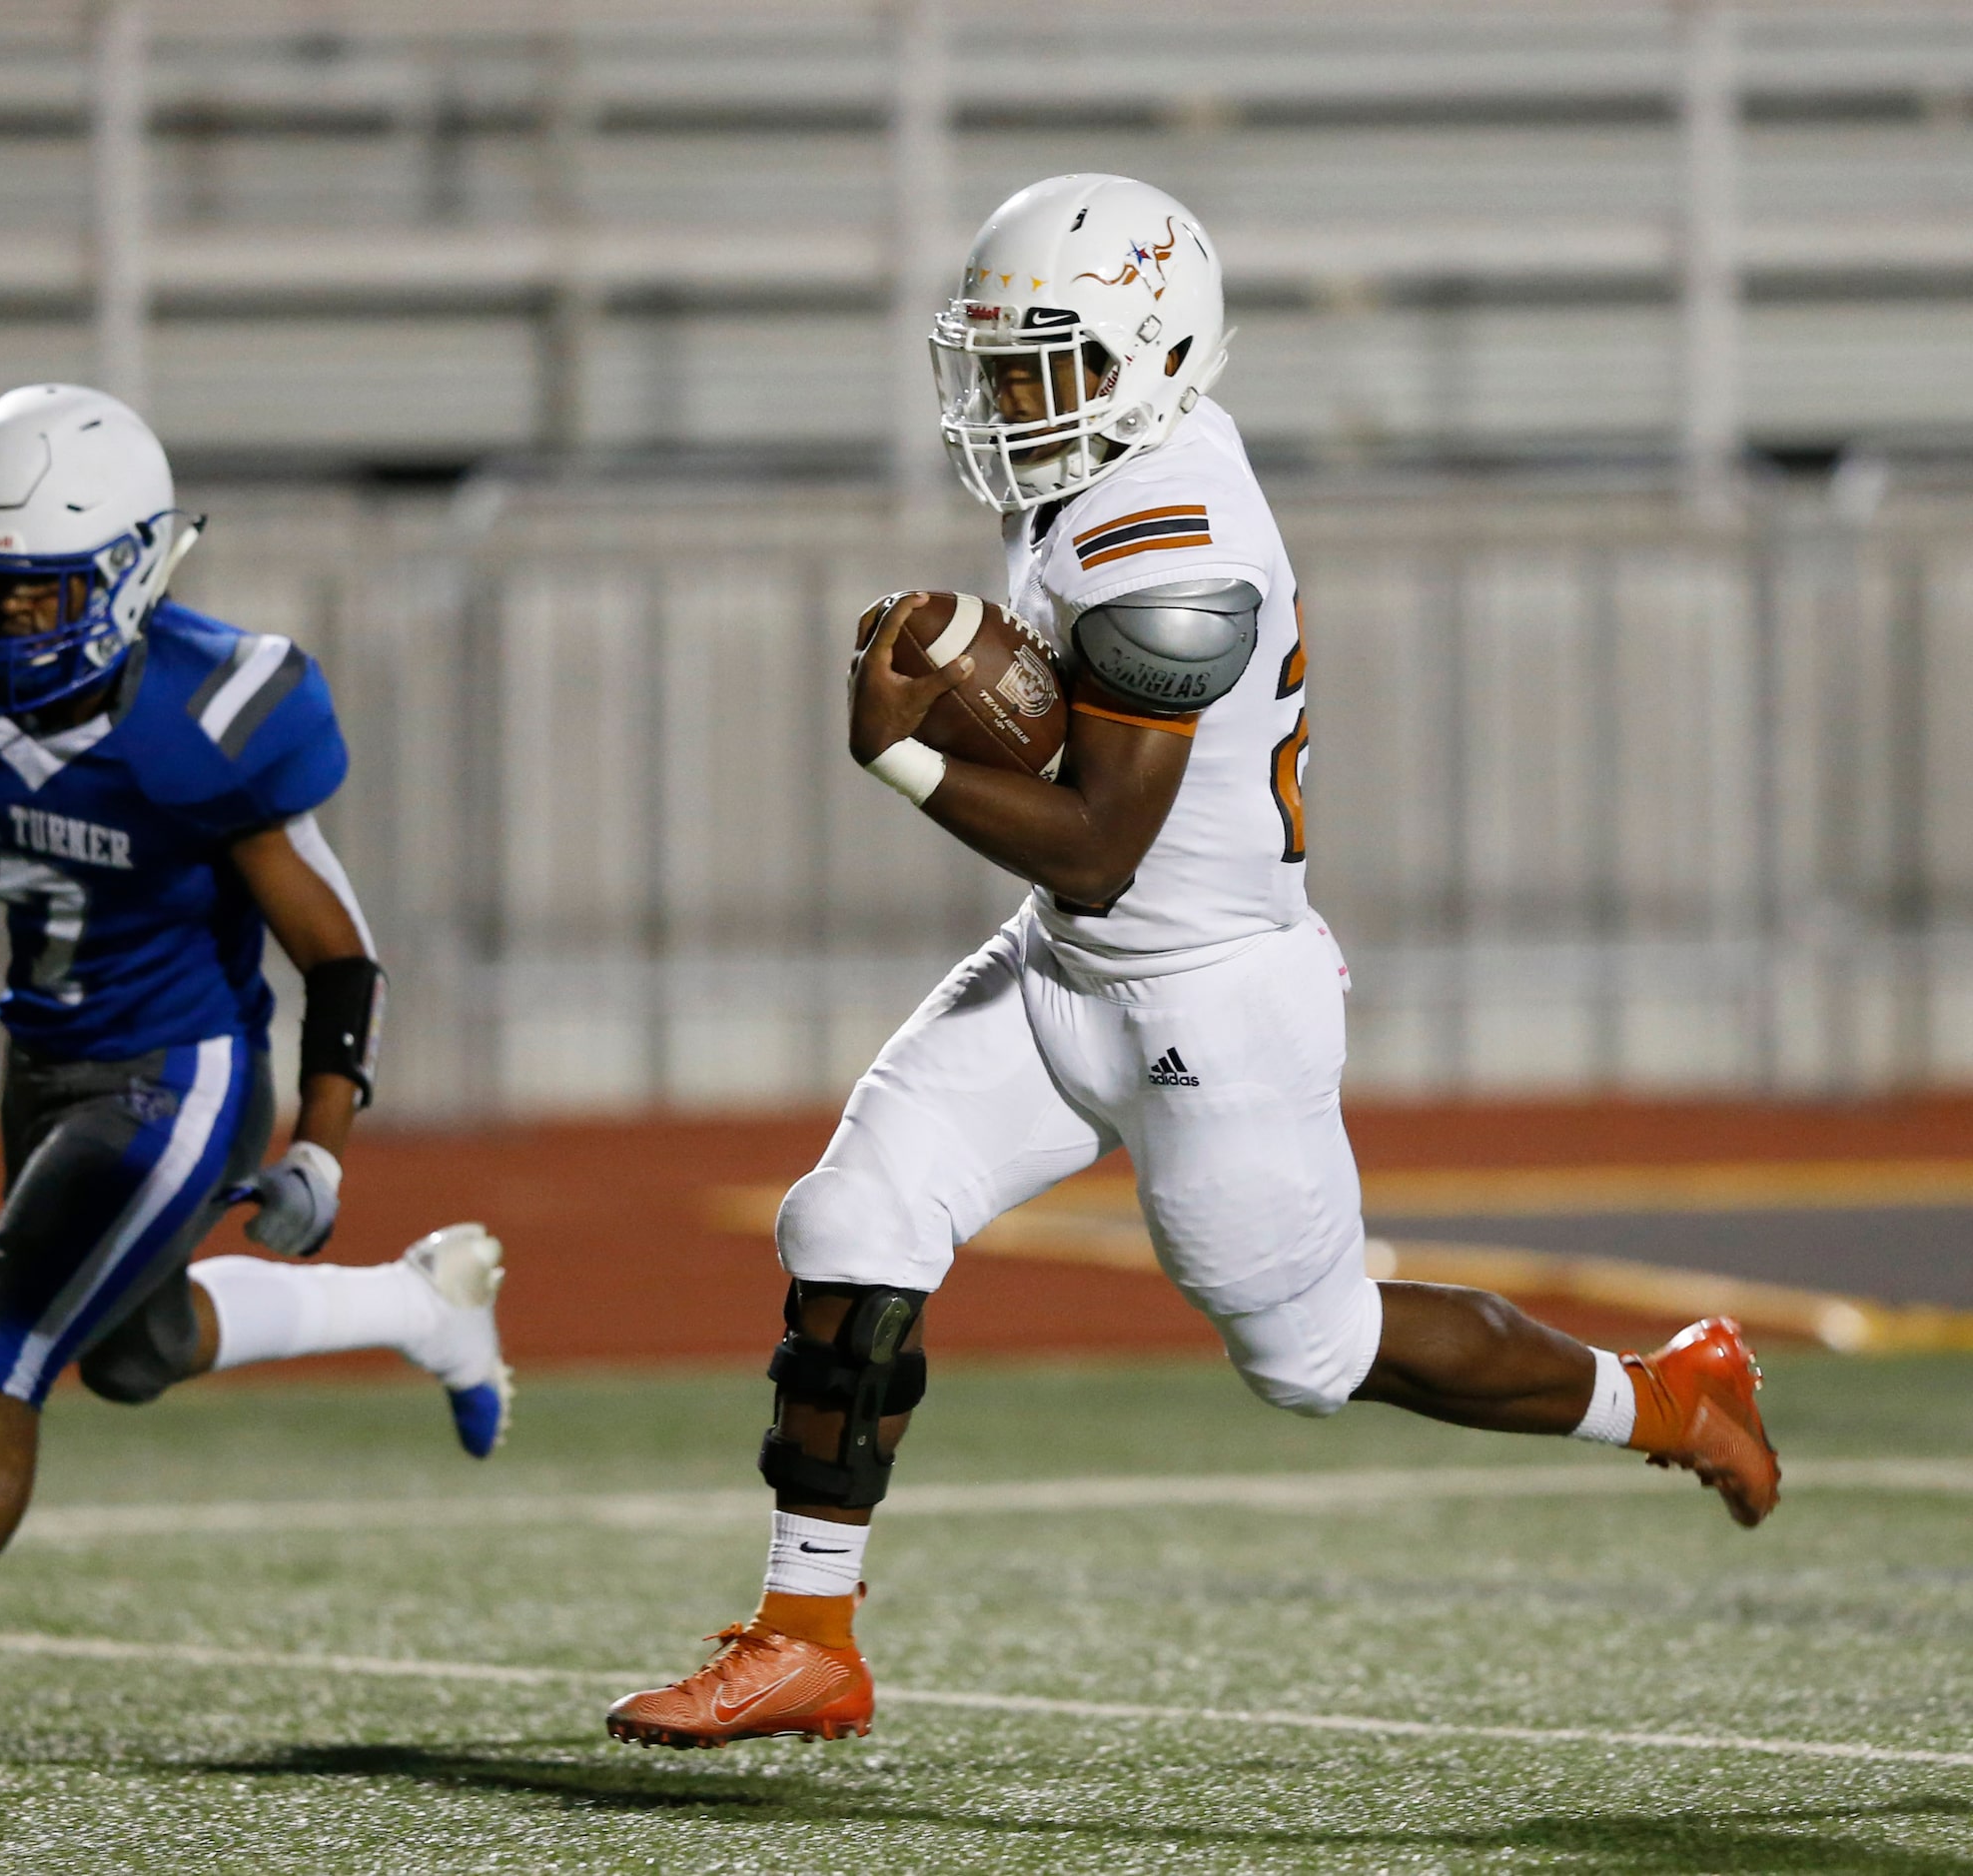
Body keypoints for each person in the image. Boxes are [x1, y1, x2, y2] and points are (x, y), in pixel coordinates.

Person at [604, 175, 1779, 1752]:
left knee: (1315, 1355)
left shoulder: (1181, 549)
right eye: (999, 364)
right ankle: (807, 1633)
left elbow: (1101, 843)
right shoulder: (1109, 466)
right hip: (1065, 972)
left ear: (1153, 354)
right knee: (853, 1216)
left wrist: (908, 754)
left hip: (1208, 1001)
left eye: (1050, 365)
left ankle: (1672, 1394)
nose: (1014, 399)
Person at [0, 384, 511, 1763]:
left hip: (179, 1071)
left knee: (3, 1344)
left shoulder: (211, 717)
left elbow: (338, 957)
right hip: (43, 1053)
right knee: (138, 1350)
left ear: (132, 573)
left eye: (31, 597)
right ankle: (424, 1302)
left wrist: (323, 1147)